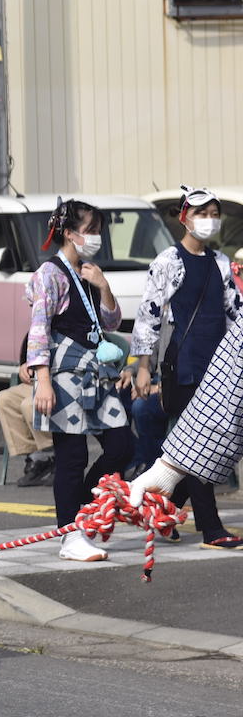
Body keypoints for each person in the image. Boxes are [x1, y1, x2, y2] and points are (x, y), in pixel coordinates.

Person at [128, 186, 243, 548]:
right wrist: (143, 366)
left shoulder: (220, 262)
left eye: (214, 214)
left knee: (200, 446)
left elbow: (235, 312)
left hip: (219, 366)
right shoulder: (168, 262)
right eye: (201, 213)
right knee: (198, 446)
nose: (209, 221)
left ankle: (161, 513)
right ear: (184, 218)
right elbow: (148, 316)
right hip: (185, 365)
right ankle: (211, 529)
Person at [24, 199, 134, 562]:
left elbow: (112, 323)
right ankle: (70, 535)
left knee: (122, 446)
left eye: (99, 231)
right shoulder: (50, 274)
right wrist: (42, 379)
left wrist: (103, 286)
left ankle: (83, 508)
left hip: (96, 375)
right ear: (69, 234)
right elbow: (38, 328)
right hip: (64, 375)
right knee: (71, 456)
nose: (97, 237)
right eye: (91, 230)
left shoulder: (88, 272)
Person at [130, 316, 243, 527]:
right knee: (144, 414)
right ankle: (206, 524)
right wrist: (168, 469)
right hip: (183, 378)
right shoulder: (168, 292)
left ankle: (205, 523)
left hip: (205, 373)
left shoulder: (225, 286)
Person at [0, 383, 55, 487]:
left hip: (59, 381)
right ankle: (40, 458)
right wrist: (24, 367)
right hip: (36, 382)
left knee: (30, 405)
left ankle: (60, 456)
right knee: (3, 399)